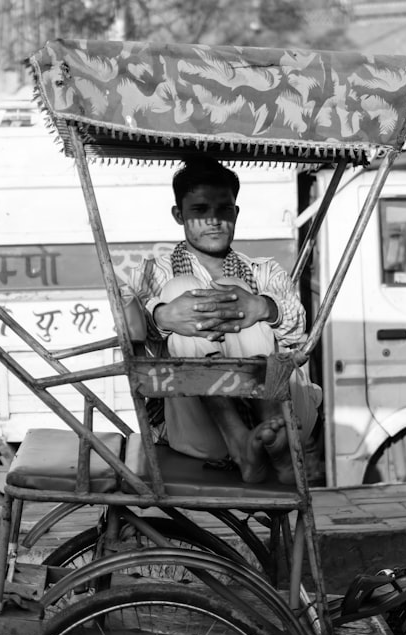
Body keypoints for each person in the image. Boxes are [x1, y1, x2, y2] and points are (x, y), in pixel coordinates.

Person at [116, 156, 320, 485]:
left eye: (224, 210)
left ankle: (267, 434)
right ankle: (244, 441)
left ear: (235, 213)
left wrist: (261, 308)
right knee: (181, 289)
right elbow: (132, 341)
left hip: (281, 409)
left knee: (240, 292)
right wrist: (162, 315)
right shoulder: (153, 273)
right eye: (200, 211)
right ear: (179, 215)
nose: (214, 221)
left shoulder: (263, 271)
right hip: (199, 427)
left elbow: (300, 336)